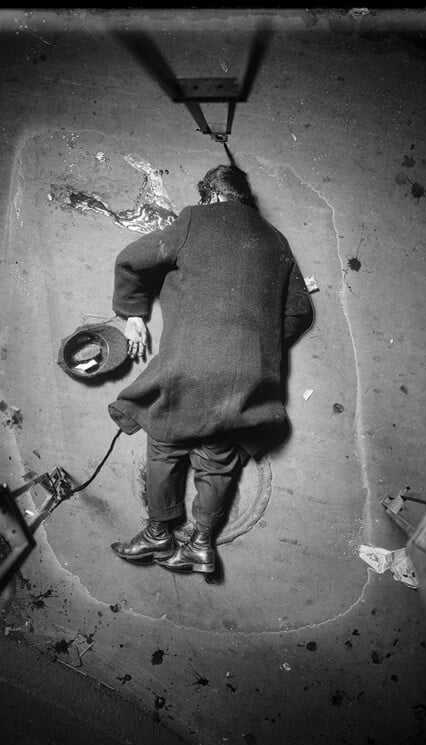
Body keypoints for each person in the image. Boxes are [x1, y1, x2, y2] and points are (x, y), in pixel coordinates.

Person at [108, 164, 314, 574]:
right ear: (242, 198)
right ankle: (201, 545)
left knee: (164, 441)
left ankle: (158, 534)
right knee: (218, 456)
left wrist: (132, 313)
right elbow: (300, 311)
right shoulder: (277, 240)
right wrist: (259, 347)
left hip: (191, 367)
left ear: (212, 196)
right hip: (250, 382)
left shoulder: (194, 219)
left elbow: (131, 260)